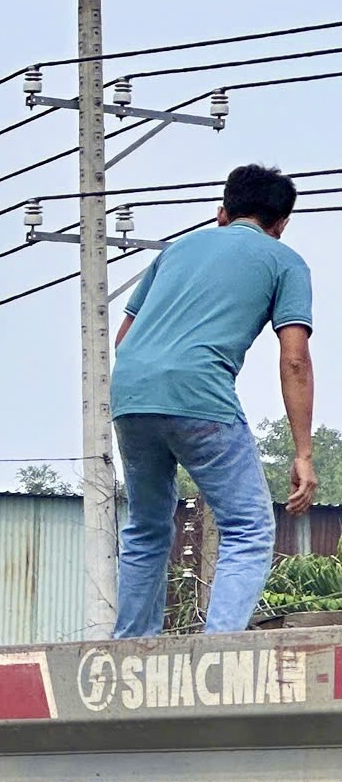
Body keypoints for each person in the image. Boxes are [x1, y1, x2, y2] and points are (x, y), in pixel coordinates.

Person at [112, 163, 316, 638]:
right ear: (281, 223)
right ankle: (218, 650)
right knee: (248, 528)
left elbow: (125, 338)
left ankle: (129, 648)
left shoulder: (175, 251)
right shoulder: (285, 261)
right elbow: (295, 361)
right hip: (199, 395)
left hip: (131, 392)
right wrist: (303, 453)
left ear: (222, 213)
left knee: (145, 528)